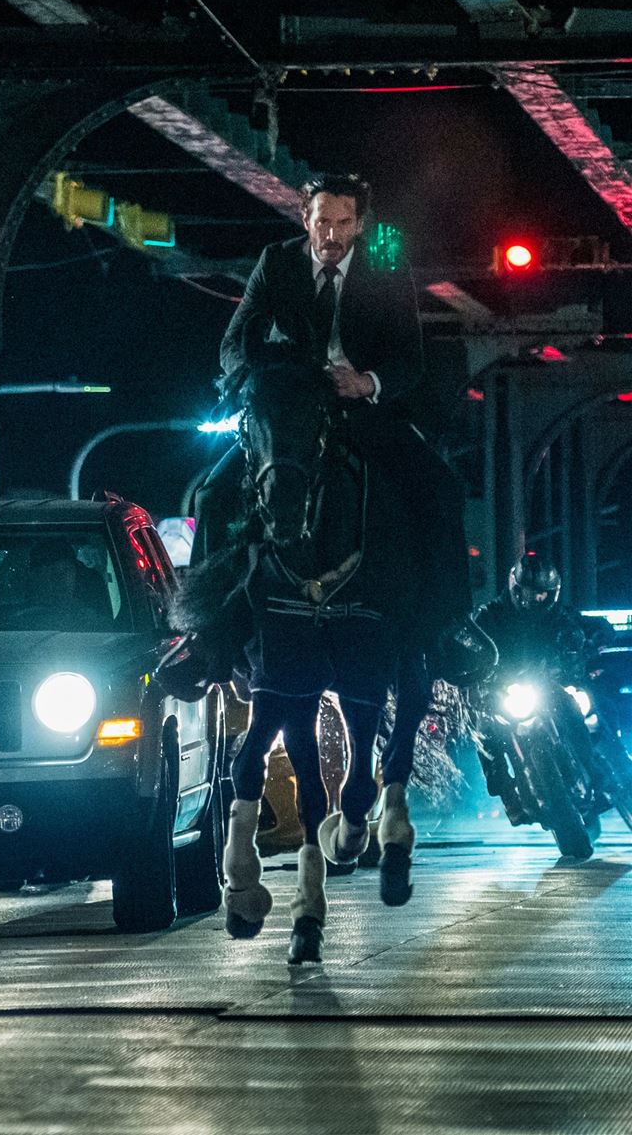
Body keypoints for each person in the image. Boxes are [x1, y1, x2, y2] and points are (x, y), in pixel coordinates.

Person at [193, 173, 495, 675]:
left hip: (362, 408)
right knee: (211, 495)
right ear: (305, 218)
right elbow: (231, 344)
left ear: (359, 224)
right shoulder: (276, 261)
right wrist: (260, 374)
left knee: (441, 487)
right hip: (294, 405)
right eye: (322, 222)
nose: (331, 234)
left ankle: (449, 625)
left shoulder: (386, 269)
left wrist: (367, 382)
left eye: (343, 223)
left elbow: (410, 359)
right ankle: (206, 637)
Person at [473, 551, 604, 820]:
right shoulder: (490, 616)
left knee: (572, 706)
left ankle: (593, 770)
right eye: (531, 592)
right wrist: (469, 660)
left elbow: (582, 627)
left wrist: (593, 638)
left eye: (543, 594)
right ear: (516, 588)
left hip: (544, 685)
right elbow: (470, 641)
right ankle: (508, 796)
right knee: (484, 730)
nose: (537, 598)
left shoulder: (558, 616)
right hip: (501, 689)